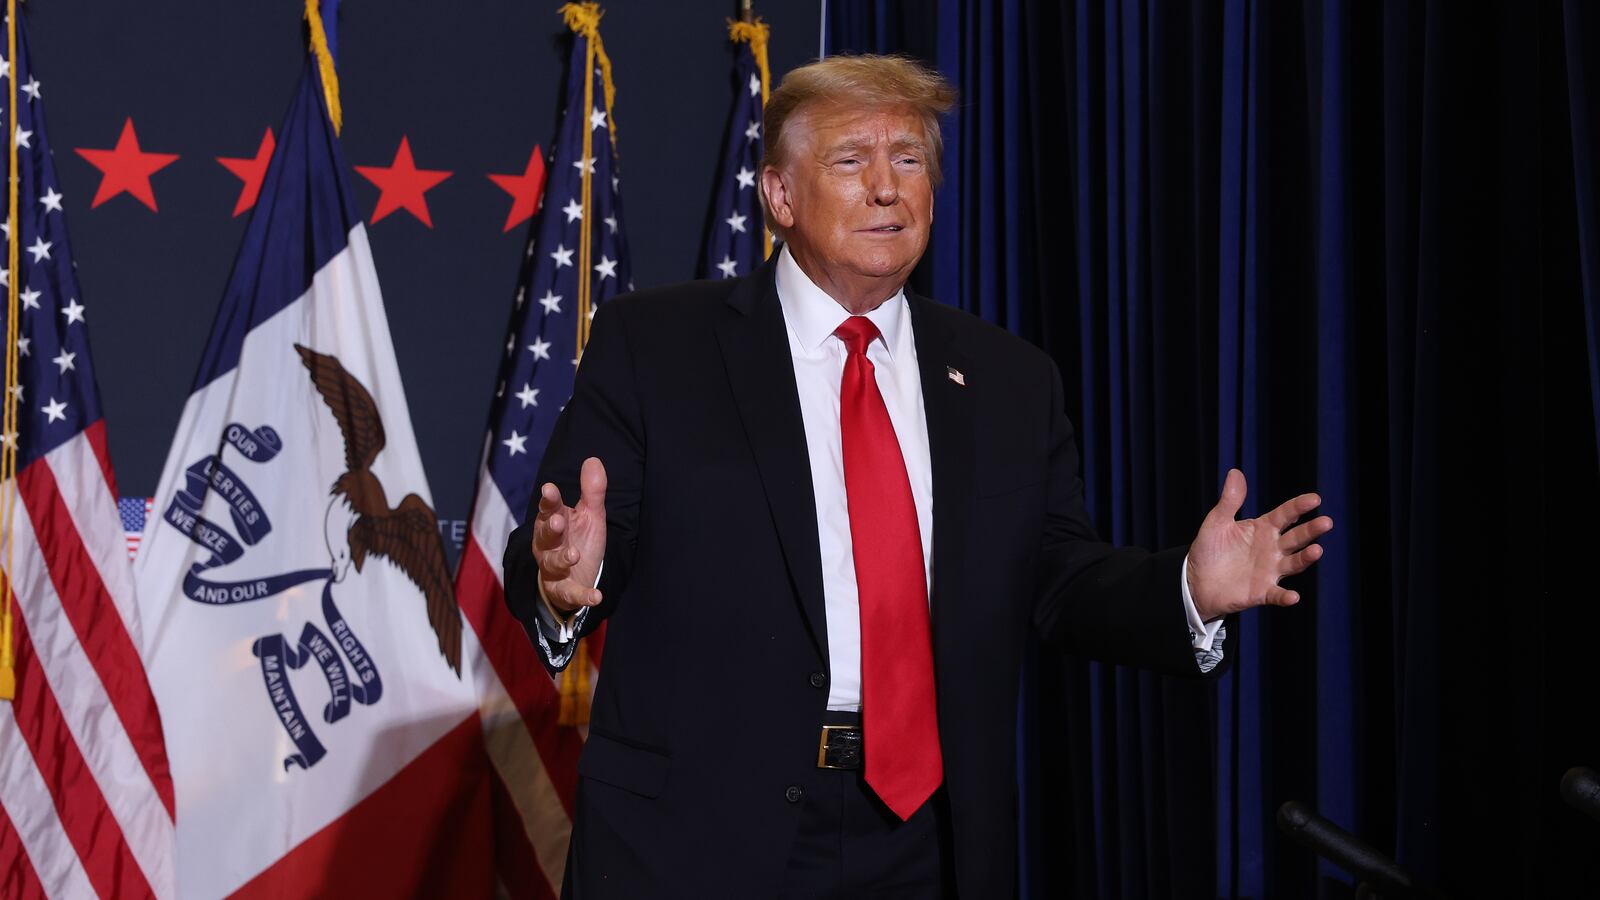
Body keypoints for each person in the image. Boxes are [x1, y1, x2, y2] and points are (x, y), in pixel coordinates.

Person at [502, 54, 1331, 899]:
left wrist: (1186, 589)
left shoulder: (1011, 379)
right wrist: (569, 576)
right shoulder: (658, 346)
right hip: (695, 838)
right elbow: (576, 535)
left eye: (909, 161)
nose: (887, 188)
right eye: (852, 161)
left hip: (926, 842)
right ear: (781, 196)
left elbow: (1058, 579)